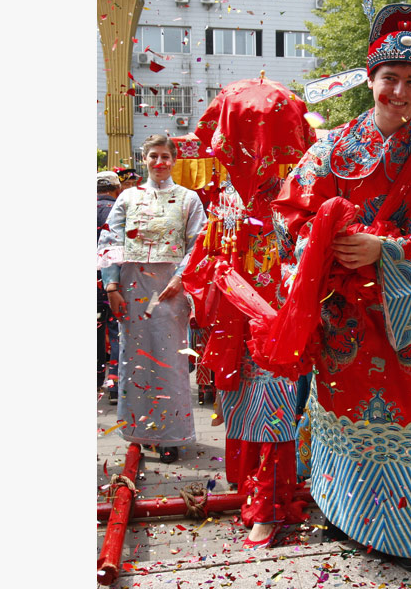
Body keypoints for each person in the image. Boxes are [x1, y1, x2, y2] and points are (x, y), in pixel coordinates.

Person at [269, 3, 411, 571]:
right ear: (370, 79)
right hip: (346, 326)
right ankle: (344, 515)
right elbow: (290, 217)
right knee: (344, 426)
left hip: (408, 330)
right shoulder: (332, 149)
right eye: (391, 79)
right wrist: (327, 242)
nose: (401, 92)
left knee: (407, 428)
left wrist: (388, 251)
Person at [181, 75, 318, 549]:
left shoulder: (291, 193)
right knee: (241, 410)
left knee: (274, 414)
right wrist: (189, 278)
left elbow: (301, 258)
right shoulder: (226, 196)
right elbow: (209, 247)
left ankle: (270, 505)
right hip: (232, 322)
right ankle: (252, 495)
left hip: (275, 321)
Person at [97, 135, 206, 464]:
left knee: (170, 361)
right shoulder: (128, 198)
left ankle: (170, 434)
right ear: (144, 160)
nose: (159, 163)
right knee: (136, 360)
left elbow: (198, 244)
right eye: (153, 156)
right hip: (132, 285)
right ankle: (138, 430)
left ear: (174, 160)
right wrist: (112, 287)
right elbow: (110, 239)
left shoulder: (189, 199)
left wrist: (180, 277)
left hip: (171, 286)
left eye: (165, 157)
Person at [97, 171, 122, 404]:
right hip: (109, 281)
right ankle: (114, 386)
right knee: (116, 332)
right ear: (117, 189)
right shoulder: (117, 210)